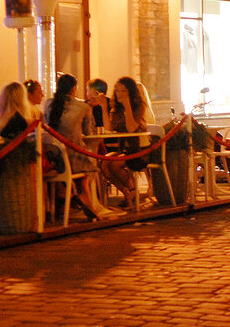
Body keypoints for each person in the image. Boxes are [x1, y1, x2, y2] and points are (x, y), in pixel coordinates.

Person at [45, 73, 108, 218]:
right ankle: (87, 203)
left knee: (78, 169)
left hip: (53, 156)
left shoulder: (49, 104)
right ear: (74, 88)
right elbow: (89, 133)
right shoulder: (82, 107)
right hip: (73, 154)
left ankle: (68, 201)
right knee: (88, 171)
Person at [102, 76, 151, 208]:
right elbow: (109, 128)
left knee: (114, 165)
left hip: (139, 150)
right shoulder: (116, 109)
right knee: (104, 165)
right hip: (124, 149)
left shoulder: (139, 106)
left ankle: (132, 191)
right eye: (117, 90)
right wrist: (103, 107)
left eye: (123, 91)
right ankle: (129, 192)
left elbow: (132, 128)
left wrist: (127, 105)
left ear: (130, 92)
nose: (119, 94)